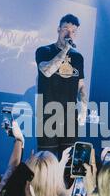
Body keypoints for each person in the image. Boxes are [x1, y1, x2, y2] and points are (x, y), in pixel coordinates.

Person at [35, 14, 88, 157]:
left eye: (73, 31)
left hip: (70, 115)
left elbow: (81, 85)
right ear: (58, 29)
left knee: (69, 160)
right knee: (47, 159)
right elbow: (47, 71)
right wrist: (65, 49)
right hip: (48, 114)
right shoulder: (44, 51)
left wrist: (83, 109)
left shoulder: (78, 57)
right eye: (66, 29)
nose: (69, 33)